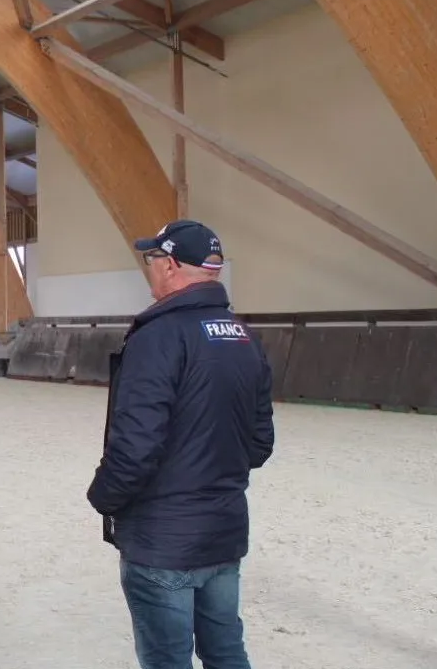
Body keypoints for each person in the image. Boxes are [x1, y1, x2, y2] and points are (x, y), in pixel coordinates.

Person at [86, 219, 275, 669]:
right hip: (223, 532)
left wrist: (103, 497)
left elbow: (134, 448)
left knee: (167, 659)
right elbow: (260, 443)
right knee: (226, 652)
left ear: (169, 265)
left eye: (151, 258)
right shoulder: (245, 338)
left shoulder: (157, 338)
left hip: (163, 540)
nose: (149, 267)